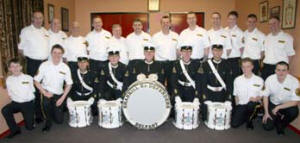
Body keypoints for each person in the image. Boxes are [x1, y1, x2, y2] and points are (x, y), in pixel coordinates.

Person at [18, 11, 48, 123]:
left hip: (45, 63)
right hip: (33, 64)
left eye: (40, 18)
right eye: (36, 18)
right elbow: (20, 49)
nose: (38, 20)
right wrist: (31, 57)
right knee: (35, 89)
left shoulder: (45, 31)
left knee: (45, 87)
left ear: (43, 19)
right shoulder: (26, 31)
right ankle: (38, 115)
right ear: (32, 18)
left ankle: (47, 111)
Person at [34, 44, 73, 132]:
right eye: (55, 52)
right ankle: (48, 121)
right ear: (51, 53)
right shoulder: (44, 65)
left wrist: (62, 98)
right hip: (47, 92)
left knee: (59, 121)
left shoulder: (65, 67)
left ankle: (53, 110)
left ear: (62, 54)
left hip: (59, 94)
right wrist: (44, 92)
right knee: (46, 103)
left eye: (59, 53)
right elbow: (36, 81)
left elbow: (69, 84)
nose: (57, 55)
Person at [262, 61, 300, 135]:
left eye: (283, 70)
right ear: (275, 70)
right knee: (267, 127)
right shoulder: (270, 79)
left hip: (286, 105)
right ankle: (276, 117)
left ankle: (281, 124)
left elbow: (295, 101)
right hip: (273, 103)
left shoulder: (295, 82)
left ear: (288, 71)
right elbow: (265, 96)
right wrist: (266, 112)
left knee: (294, 112)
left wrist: (279, 107)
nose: (281, 73)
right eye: (278, 70)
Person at [1, 58, 35, 138]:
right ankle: (15, 130)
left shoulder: (28, 78)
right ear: (9, 69)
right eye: (13, 66)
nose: (15, 68)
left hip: (27, 103)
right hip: (16, 103)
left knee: (29, 128)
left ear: (21, 67)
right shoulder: (9, 79)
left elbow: (33, 91)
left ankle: (31, 120)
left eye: (17, 66)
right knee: (5, 110)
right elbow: (10, 92)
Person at [201, 44, 232, 121]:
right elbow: (203, 83)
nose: (217, 52)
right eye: (215, 50)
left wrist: (228, 99)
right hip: (209, 93)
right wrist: (206, 98)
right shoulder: (205, 65)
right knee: (206, 118)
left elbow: (230, 83)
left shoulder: (227, 64)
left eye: (219, 50)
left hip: (222, 94)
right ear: (212, 51)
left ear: (222, 52)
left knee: (222, 117)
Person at [231, 58, 264, 129]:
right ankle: (246, 117)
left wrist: (257, 98)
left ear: (252, 67)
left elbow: (262, 95)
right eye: (243, 67)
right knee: (234, 124)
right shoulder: (237, 80)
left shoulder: (259, 80)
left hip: (253, 104)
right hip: (242, 104)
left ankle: (250, 120)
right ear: (241, 67)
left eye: (248, 66)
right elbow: (236, 95)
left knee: (251, 104)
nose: (245, 69)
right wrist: (237, 108)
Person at [152, 15, 179, 94]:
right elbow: (152, 51)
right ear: (161, 24)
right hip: (159, 64)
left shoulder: (176, 36)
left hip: (172, 63)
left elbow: (178, 51)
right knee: (159, 84)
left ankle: (171, 102)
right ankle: (159, 103)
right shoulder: (155, 36)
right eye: (163, 23)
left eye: (167, 22)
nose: (165, 24)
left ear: (170, 24)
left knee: (172, 84)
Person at [225, 11, 243, 79]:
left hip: (235, 60)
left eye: (233, 19)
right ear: (227, 19)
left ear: (236, 20)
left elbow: (242, 49)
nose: (231, 21)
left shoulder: (239, 32)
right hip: (225, 59)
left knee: (235, 79)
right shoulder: (224, 30)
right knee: (226, 79)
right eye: (230, 19)